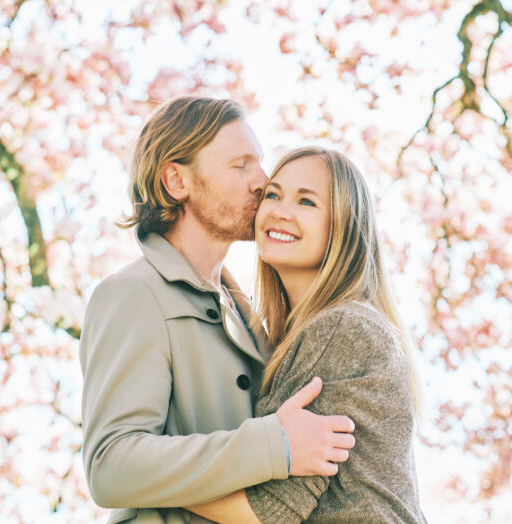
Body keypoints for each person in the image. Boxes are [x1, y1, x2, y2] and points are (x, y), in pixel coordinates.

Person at [79, 98, 356, 524]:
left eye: (259, 163)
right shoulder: (134, 293)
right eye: (240, 165)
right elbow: (110, 466)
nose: (262, 182)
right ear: (176, 181)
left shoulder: (247, 312)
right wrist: (275, 446)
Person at [185, 147, 427, 523]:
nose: (281, 210)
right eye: (273, 194)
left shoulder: (342, 329)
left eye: (306, 202)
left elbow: (267, 511)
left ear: (343, 226)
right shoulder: (316, 333)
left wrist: (142, 476)